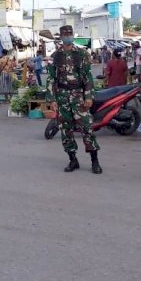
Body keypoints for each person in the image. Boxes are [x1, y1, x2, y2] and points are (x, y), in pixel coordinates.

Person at [46, 25, 101, 174]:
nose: (68, 36)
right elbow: (51, 79)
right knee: (66, 130)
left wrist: (88, 96)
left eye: (70, 34)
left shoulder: (81, 54)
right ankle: (73, 160)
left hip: (78, 96)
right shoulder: (55, 56)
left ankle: (94, 161)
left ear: (73, 35)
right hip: (62, 96)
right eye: (65, 34)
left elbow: (88, 77)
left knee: (87, 129)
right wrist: (52, 99)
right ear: (61, 37)